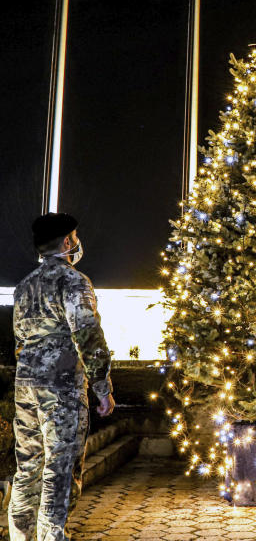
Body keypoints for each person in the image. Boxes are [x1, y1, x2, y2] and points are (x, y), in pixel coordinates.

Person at [8, 213, 114, 541]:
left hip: (26, 390)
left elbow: (19, 343)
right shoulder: (73, 281)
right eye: (75, 236)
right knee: (60, 471)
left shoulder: (24, 287)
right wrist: (102, 388)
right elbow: (88, 336)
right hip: (62, 390)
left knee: (27, 470)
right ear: (68, 242)